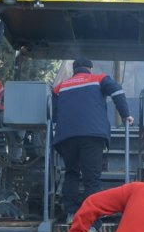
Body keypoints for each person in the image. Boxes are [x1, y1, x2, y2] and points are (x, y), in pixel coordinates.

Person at [53, 58, 134, 219]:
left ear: (73, 70)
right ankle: (91, 221)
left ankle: (70, 214)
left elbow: (53, 113)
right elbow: (117, 91)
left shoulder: (61, 86)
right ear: (90, 68)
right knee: (91, 180)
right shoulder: (99, 79)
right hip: (92, 136)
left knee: (71, 173)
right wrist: (126, 115)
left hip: (66, 137)